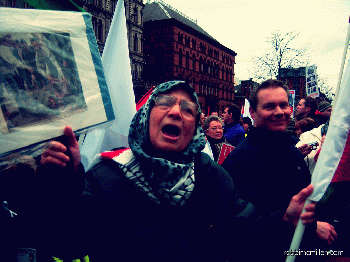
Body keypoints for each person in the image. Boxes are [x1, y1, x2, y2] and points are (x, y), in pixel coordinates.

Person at [41, 80, 316, 262]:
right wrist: (63, 186)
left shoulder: (211, 175)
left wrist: (283, 219)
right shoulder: (106, 177)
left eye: (188, 109)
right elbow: (67, 246)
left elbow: (243, 231)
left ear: (194, 129)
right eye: (165, 103)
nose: (176, 112)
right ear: (145, 117)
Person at [221, 79, 330, 261]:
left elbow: (302, 199)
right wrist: (301, 225)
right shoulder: (240, 161)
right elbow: (237, 228)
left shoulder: (292, 148)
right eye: (270, 106)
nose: (279, 112)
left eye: (283, 105)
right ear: (253, 112)